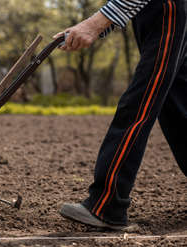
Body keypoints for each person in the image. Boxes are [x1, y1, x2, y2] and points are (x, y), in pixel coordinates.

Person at [56, 0, 187, 230]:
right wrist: (95, 25)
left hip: (167, 9)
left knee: (139, 103)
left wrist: (94, 24)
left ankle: (107, 205)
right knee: (175, 104)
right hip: (155, 12)